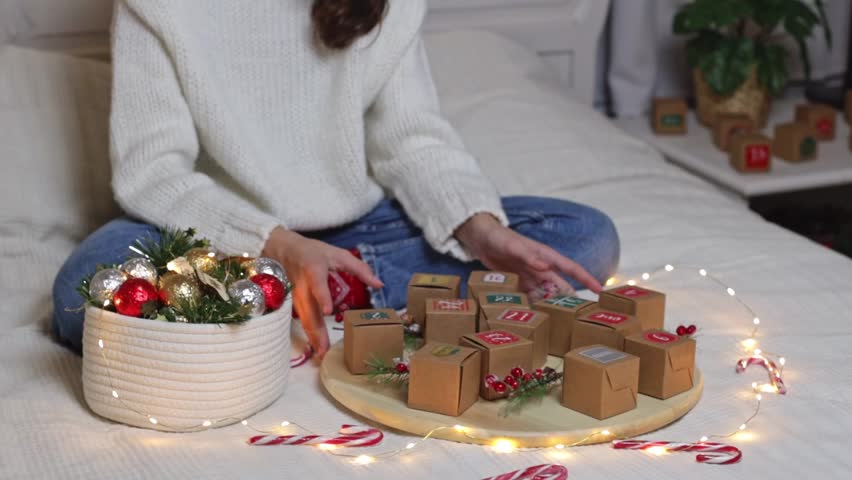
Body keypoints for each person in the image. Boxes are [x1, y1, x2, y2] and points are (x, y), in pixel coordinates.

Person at [52, 0, 620, 357]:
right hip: (222, 244)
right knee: (86, 291)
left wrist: (480, 231)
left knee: (583, 236)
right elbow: (154, 172)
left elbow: (411, 140)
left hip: (362, 233)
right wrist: (279, 246)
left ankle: (278, 309)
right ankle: (326, 294)